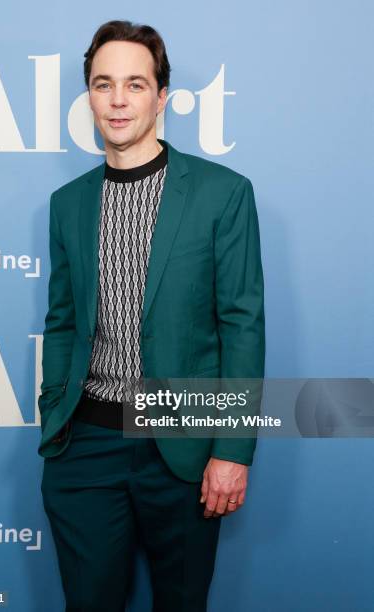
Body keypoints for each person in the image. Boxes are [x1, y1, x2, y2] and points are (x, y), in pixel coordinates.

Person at [38, 19, 265, 612]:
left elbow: (242, 326)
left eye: (135, 84)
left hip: (186, 446)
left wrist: (233, 450)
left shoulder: (223, 192)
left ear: (161, 96)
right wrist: (53, 411)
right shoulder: (67, 204)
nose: (117, 100)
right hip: (84, 447)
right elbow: (62, 319)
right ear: (88, 94)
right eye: (103, 83)